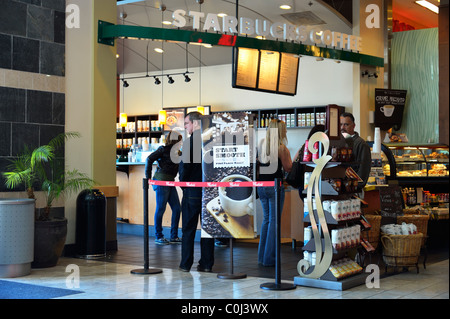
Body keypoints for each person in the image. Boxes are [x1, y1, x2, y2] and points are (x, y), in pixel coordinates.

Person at [178, 111, 214, 272]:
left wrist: (183, 184)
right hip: (209, 191)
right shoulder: (211, 141)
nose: (185, 127)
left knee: (188, 229)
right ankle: (206, 264)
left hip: (192, 191)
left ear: (195, 123)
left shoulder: (189, 143)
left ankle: (185, 264)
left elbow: (184, 168)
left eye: (186, 123)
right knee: (207, 230)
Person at [257, 119, 292, 266]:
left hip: (261, 186)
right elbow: (289, 167)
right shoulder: (281, 148)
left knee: (267, 220)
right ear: (281, 131)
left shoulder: (262, 144)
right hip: (275, 187)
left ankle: (262, 257)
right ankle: (270, 259)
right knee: (274, 221)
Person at [145, 130, 183, 245]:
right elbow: (149, 159)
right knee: (161, 208)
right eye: (179, 141)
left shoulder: (178, 153)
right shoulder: (164, 149)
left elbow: (149, 159)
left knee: (176, 208)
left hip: (169, 181)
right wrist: (148, 177)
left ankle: (173, 236)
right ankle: (159, 236)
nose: (181, 143)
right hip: (161, 181)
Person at [340, 112, 371, 190]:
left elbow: (364, 169)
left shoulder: (361, 144)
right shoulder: (338, 143)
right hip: (340, 188)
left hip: (354, 190)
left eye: (346, 124)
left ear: (353, 126)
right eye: (340, 124)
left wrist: (356, 187)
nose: (342, 127)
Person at [294, 124, 326, 201]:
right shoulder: (322, 148)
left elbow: (294, 161)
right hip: (317, 186)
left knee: (308, 210)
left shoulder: (304, 147)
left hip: (303, 185)